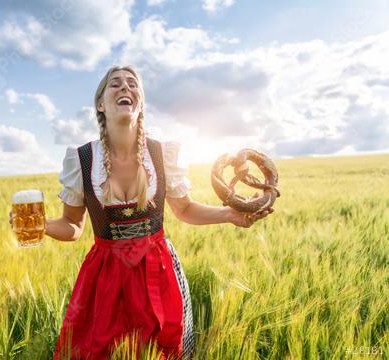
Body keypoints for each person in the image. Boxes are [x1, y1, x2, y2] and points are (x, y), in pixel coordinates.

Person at [43, 66, 272, 359]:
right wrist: (43, 226)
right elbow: (73, 227)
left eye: (132, 84)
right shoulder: (82, 159)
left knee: (160, 349)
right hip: (105, 278)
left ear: (141, 102)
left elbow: (185, 208)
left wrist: (229, 214)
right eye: (115, 84)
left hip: (157, 270)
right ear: (100, 104)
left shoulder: (163, 154)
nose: (125, 88)